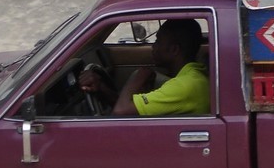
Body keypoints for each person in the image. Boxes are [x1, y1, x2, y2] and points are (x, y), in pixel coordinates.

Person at [78, 19, 209, 116]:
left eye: (158, 41)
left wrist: (139, 78)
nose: (153, 46)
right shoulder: (192, 77)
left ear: (174, 50)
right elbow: (131, 108)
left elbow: (120, 111)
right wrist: (101, 87)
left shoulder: (184, 87)